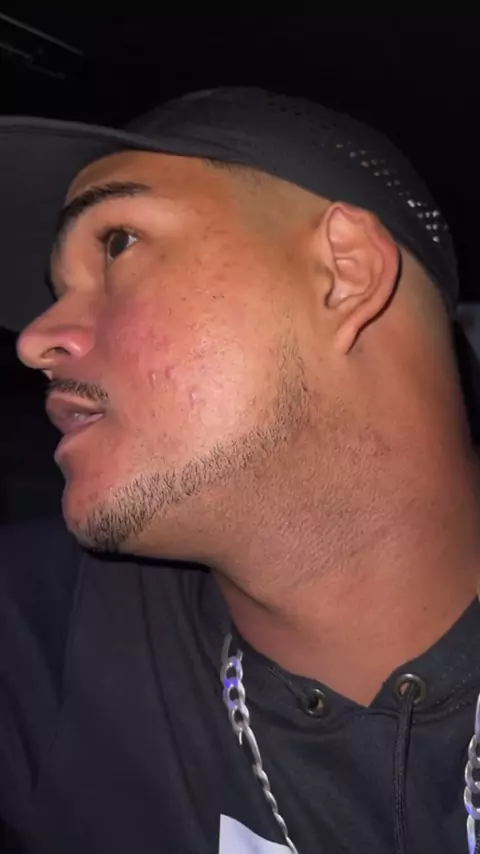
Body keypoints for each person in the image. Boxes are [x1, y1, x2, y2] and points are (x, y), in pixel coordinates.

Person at [0, 88, 479, 854]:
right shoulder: (39, 641)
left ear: (342, 272)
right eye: (56, 293)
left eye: (118, 243)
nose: (34, 341)